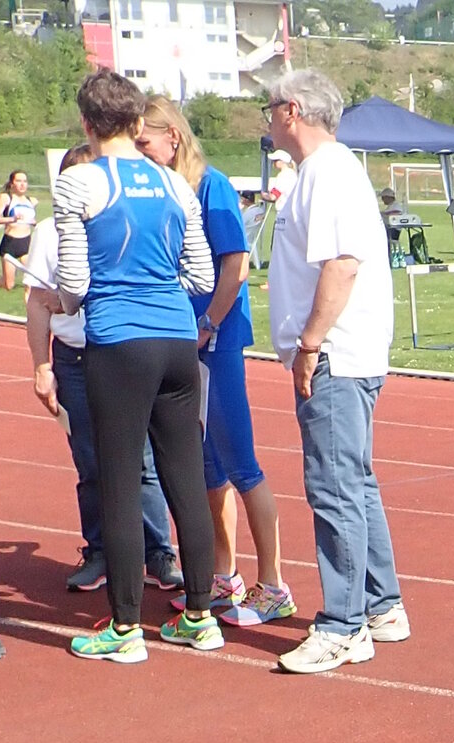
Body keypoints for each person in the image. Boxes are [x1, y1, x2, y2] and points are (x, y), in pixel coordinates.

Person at [53, 70, 221, 663]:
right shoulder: (176, 185)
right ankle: (199, 615)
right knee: (184, 476)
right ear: (135, 121)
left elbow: (73, 281)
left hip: (119, 341)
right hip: (177, 340)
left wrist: (68, 300)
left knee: (120, 481)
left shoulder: (78, 182)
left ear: (87, 124)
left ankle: (125, 630)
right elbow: (201, 275)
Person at [265, 70, 409, 675]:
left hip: (336, 357)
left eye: (269, 108)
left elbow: (342, 264)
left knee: (334, 486)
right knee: (354, 480)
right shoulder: (322, 172)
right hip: (345, 354)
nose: (265, 119)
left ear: (292, 110)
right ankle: (381, 604)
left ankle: (344, 625)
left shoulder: (326, 172)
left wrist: (311, 343)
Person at [138, 97, 295, 629]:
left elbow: (236, 265)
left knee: (241, 461)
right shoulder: (162, 189)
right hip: (186, 341)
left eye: (144, 143)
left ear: (172, 138)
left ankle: (274, 584)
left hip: (217, 341)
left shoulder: (212, 186)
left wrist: (210, 324)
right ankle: (224, 574)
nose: (140, 153)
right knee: (207, 468)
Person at [22, 143, 180, 594]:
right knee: (91, 462)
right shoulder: (51, 233)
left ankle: (157, 552)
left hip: (124, 351)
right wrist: (41, 365)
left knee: (144, 459)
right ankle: (100, 551)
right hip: (75, 358)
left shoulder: (124, 219)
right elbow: (37, 303)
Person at [0, 170, 37, 293]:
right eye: (18, 181)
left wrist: (34, 223)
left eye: (24, 181)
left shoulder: (32, 201)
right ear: (12, 183)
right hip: (10, 244)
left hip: (26, 243)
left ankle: (30, 311)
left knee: (31, 281)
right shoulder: (6, 198)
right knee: (9, 285)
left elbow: (32, 221)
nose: (22, 184)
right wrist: (12, 219)